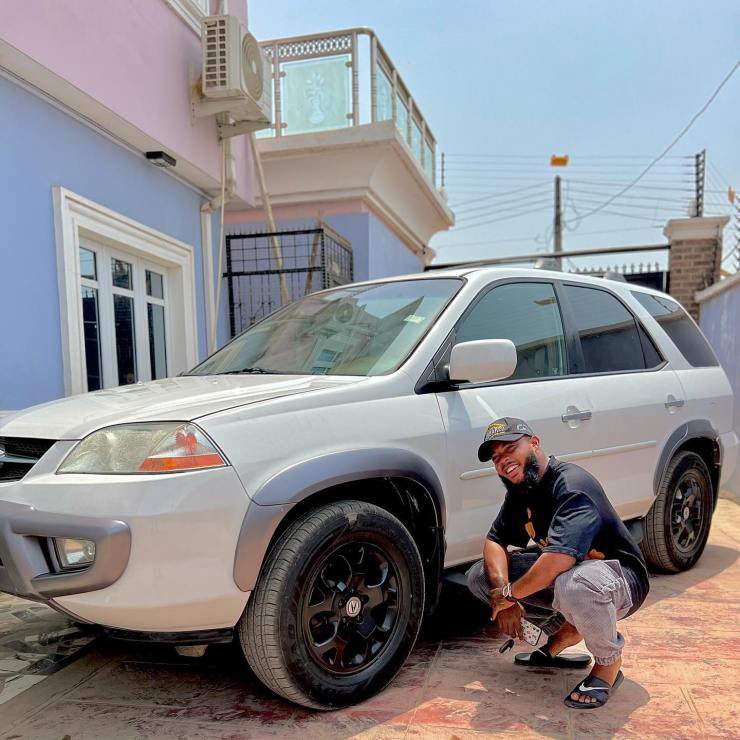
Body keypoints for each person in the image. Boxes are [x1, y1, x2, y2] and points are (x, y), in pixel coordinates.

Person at [466, 417, 649, 709]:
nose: (503, 462)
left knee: (573, 584)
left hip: (621, 580)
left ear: (535, 443)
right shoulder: (521, 491)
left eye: (510, 448)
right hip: (573, 574)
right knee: (480, 577)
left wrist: (509, 595)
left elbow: (556, 562)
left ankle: (608, 665)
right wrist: (503, 592)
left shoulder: (571, 485)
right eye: (496, 458)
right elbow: (494, 540)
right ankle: (569, 629)